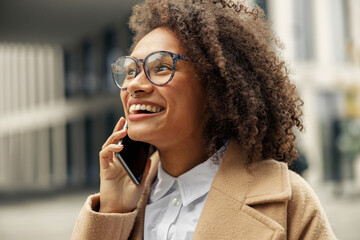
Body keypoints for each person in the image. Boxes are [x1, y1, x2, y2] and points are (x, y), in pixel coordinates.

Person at [72, 0, 336, 239]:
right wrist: (112, 213)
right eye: (130, 71)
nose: (135, 85)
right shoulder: (119, 201)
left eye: (161, 67)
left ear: (214, 88)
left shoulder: (291, 201)